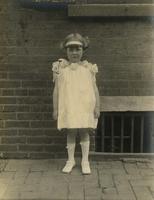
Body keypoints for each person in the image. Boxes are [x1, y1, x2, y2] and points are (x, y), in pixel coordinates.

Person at [52, 33, 100, 174]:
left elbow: (94, 89)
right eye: (71, 49)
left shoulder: (88, 68)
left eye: (77, 49)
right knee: (71, 131)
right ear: (66, 51)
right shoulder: (60, 69)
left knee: (84, 131)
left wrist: (97, 106)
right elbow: (56, 90)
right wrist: (55, 109)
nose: (74, 52)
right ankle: (70, 160)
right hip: (70, 106)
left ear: (83, 50)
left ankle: (85, 161)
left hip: (84, 106)